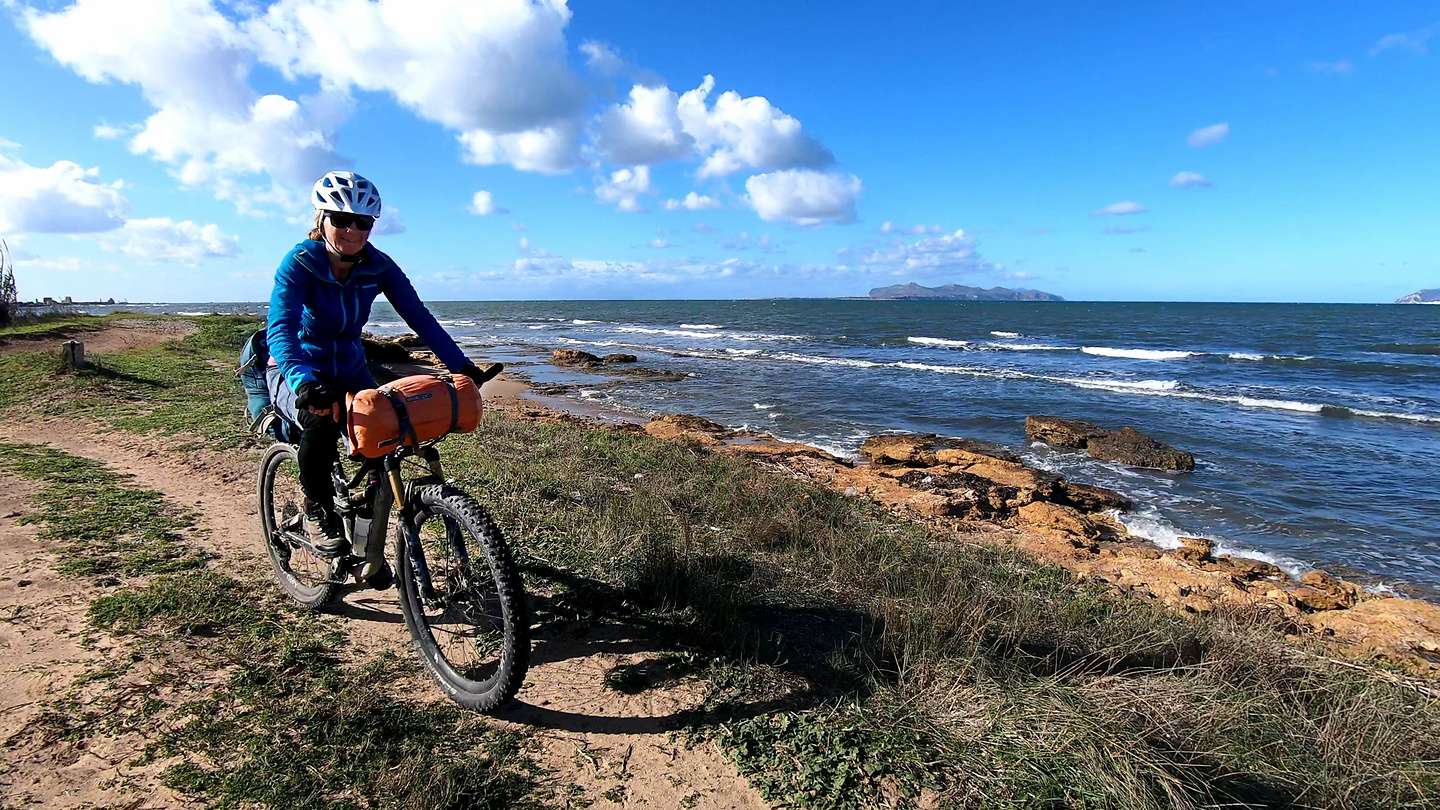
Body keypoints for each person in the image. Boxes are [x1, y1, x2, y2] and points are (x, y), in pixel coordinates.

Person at [267, 170, 489, 559]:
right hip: (296, 367)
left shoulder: (378, 266)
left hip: (350, 367)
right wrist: (302, 382)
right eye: (341, 220)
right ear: (321, 220)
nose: (352, 231)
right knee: (320, 422)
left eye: (363, 222)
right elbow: (281, 329)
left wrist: (461, 365)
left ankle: (368, 547)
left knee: (384, 440)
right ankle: (316, 509)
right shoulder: (299, 263)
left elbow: (419, 317)